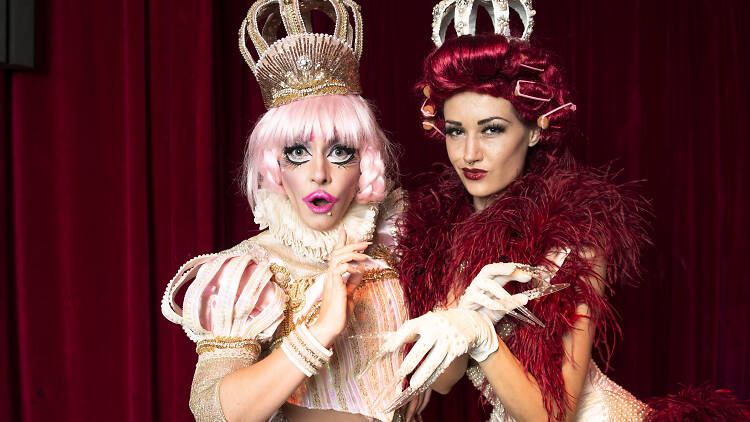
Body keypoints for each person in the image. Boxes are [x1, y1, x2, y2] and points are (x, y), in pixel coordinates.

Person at [380, 1, 651, 421]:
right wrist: (462, 320)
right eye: (455, 131)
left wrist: (481, 335)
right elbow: (447, 380)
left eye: (492, 129)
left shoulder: (574, 236)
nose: (469, 153)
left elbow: (552, 415)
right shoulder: (440, 236)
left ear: (534, 130)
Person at [160, 1, 412, 421]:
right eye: (297, 152)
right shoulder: (248, 270)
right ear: (274, 165)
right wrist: (322, 329)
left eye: (340, 151)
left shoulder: (395, 241)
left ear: (365, 163)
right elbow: (212, 412)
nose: (318, 173)